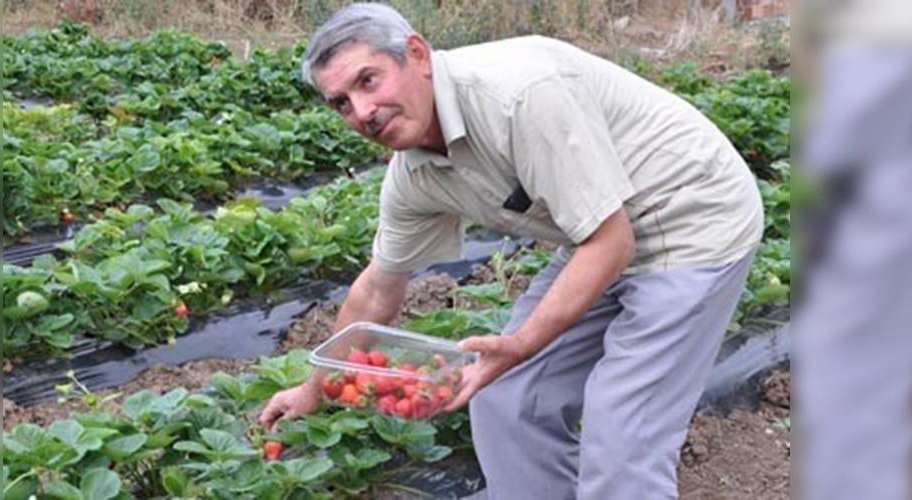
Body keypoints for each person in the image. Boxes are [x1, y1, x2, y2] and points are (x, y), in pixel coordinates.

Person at [258, 3, 762, 498]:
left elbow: (612, 241)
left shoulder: (517, 97)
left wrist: (521, 344)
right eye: (342, 103)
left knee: (623, 434)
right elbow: (377, 289)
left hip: (692, 216)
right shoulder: (414, 175)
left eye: (368, 80)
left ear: (417, 54)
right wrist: (313, 388)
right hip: (598, 228)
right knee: (505, 396)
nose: (362, 111)